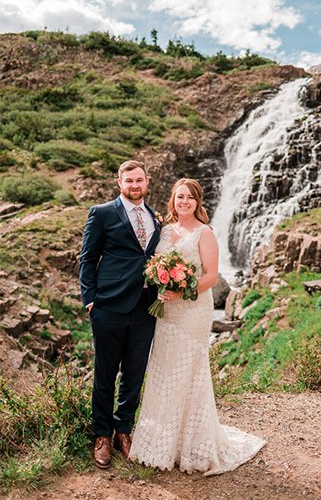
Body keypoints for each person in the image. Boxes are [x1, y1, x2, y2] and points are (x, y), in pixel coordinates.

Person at [129, 179, 265, 473]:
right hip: (166, 312)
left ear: (197, 202)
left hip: (193, 311)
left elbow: (213, 277)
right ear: (173, 200)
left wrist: (181, 291)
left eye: (190, 198)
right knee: (164, 371)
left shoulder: (205, 233)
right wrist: (160, 283)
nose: (184, 202)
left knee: (190, 371)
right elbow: (151, 267)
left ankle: (194, 443)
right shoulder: (164, 231)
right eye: (180, 197)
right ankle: (164, 442)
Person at [79, 160, 163, 468]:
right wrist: (90, 300)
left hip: (145, 307)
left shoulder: (156, 216)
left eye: (139, 179)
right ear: (120, 183)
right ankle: (102, 435)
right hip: (109, 306)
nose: (135, 185)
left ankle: (123, 431)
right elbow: (87, 259)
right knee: (104, 374)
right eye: (129, 181)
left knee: (134, 374)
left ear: (146, 182)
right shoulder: (101, 213)